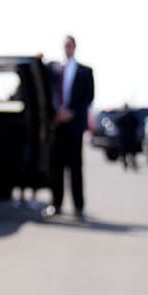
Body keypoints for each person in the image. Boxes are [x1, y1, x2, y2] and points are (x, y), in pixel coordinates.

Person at [45, 35, 95, 220]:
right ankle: (56, 204)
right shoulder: (55, 69)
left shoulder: (85, 71)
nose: (67, 48)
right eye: (65, 45)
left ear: (75, 47)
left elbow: (88, 97)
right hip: (57, 125)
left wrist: (71, 113)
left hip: (74, 126)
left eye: (70, 45)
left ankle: (78, 207)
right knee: (56, 166)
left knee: (75, 167)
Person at [116, 103, 141, 171]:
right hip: (128, 137)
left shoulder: (123, 116)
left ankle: (130, 163)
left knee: (129, 152)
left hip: (127, 137)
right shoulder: (130, 116)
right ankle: (128, 163)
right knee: (129, 152)